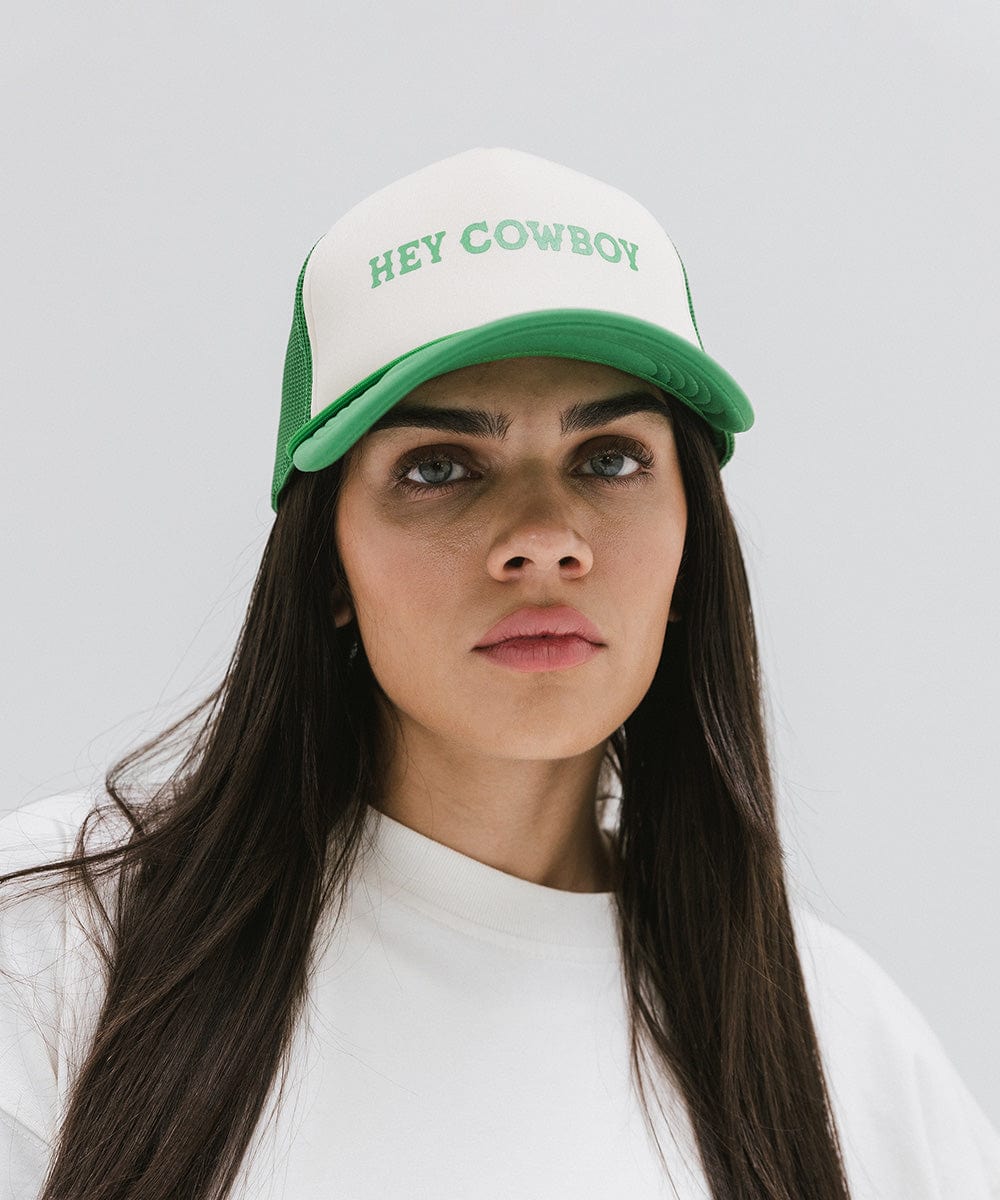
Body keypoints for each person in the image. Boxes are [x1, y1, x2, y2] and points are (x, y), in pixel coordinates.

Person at [2, 146, 998, 1200]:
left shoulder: (838, 1046)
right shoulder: (63, 947)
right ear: (327, 564)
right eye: (438, 468)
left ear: (690, 539)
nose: (542, 539)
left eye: (608, 458)